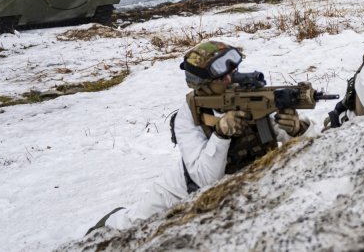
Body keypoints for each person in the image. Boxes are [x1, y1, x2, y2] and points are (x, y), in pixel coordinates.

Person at [93, 41, 310, 231]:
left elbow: (301, 144)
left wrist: (297, 129)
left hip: (238, 185)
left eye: (232, 71)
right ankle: (104, 223)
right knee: (131, 224)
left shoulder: (252, 95)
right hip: (180, 190)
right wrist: (221, 134)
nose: (230, 79)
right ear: (202, 86)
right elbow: (205, 179)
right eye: (221, 78)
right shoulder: (187, 116)